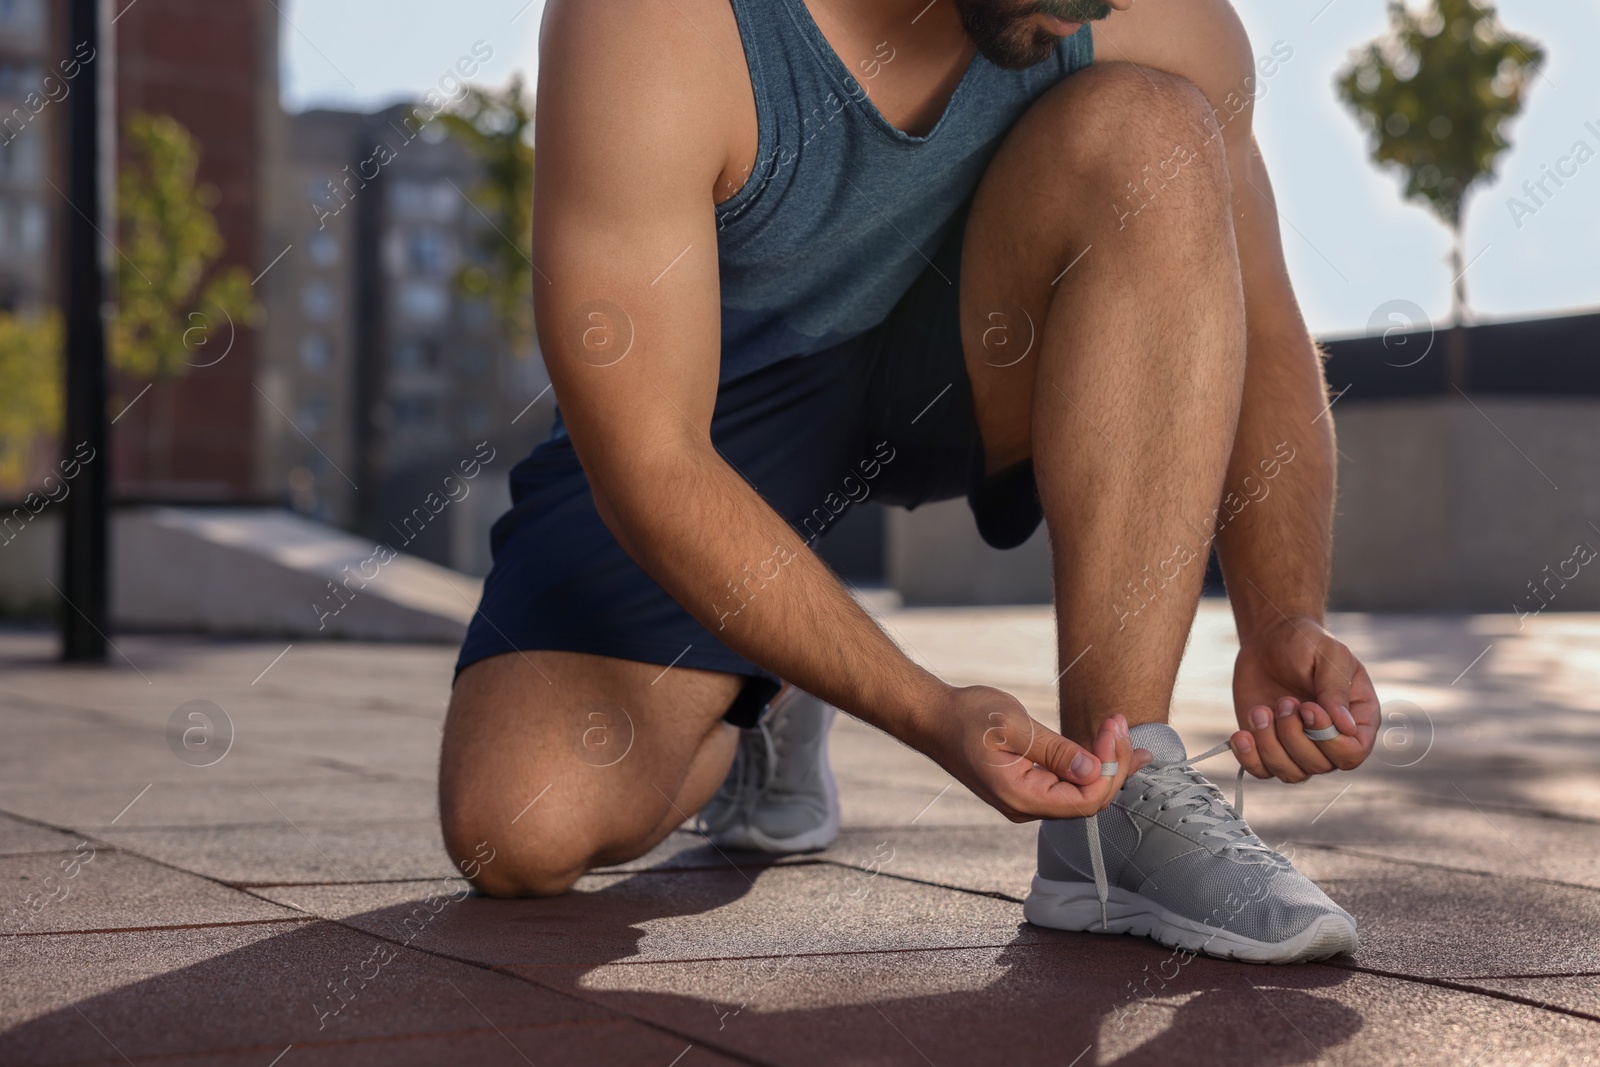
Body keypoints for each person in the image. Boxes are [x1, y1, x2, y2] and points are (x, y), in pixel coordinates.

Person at [439, 0, 1383, 964]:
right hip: (720, 415)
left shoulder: (1162, 21)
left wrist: (1280, 618)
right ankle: (775, 688)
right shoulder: (656, 24)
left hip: (980, 356)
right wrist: (925, 711)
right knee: (518, 826)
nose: (1100, 7)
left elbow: (1263, 322)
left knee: (1154, 131)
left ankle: (1120, 798)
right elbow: (651, 460)